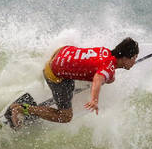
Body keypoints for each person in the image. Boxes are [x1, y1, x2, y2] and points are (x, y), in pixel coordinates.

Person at [8, 37, 139, 129]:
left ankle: (62, 93)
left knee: (85, 70)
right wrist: (94, 100)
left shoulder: (105, 51)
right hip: (54, 74)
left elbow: (98, 70)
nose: (134, 62)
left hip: (61, 53)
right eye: (134, 58)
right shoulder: (108, 69)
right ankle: (21, 108)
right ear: (126, 58)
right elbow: (99, 77)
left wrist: (108, 78)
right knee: (65, 116)